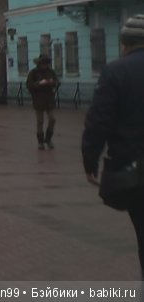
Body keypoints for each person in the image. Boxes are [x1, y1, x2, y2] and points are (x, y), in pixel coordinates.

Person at [82, 14, 144, 279]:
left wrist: (90, 161)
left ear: (123, 45)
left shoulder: (115, 72)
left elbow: (98, 122)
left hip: (135, 171)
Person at [26, 54, 59, 149]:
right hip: (38, 100)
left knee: (52, 119)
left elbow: (57, 82)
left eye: (46, 63)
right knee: (40, 121)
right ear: (39, 63)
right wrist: (39, 83)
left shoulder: (51, 72)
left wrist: (53, 82)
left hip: (49, 100)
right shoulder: (34, 73)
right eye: (43, 63)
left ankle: (48, 139)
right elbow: (29, 85)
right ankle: (40, 142)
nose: (45, 65)